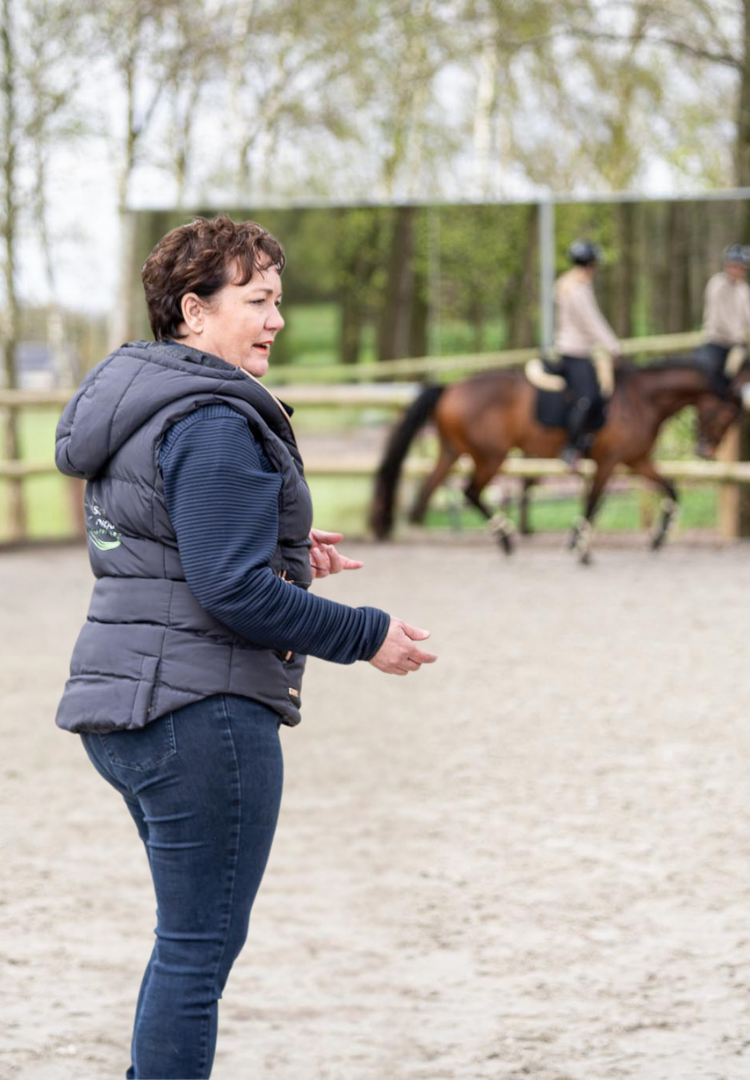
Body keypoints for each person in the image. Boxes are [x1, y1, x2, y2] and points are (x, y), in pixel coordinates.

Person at [53, 214, 437, 1080]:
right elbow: (230, 591)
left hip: (127, 707)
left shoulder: (142, 404)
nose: (276, 320)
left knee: (183, 949)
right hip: (201, 717)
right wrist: (366, 634)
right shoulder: (214, 420)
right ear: (193, 311)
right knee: (194, 959)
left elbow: (163, 544)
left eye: (278, 302)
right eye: (258, 301)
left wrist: (285, 550)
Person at [553, 238, 621, 465]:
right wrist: (612, 344)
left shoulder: (571, 283)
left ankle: (585, 439)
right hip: (575, 350)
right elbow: (590, 320)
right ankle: (571, 447)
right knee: (586, 397)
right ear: (591, 263)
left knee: (598, 391)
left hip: (580, 349)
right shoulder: (577, 288)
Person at [701, 243, 750, 395]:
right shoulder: (716, 284)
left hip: (737, 345)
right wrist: (737, 336)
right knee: (711, 378)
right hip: (716, 342)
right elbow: (719, 317)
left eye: (742, 267)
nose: (738, 270)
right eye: (734, 266)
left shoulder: (744, 289)